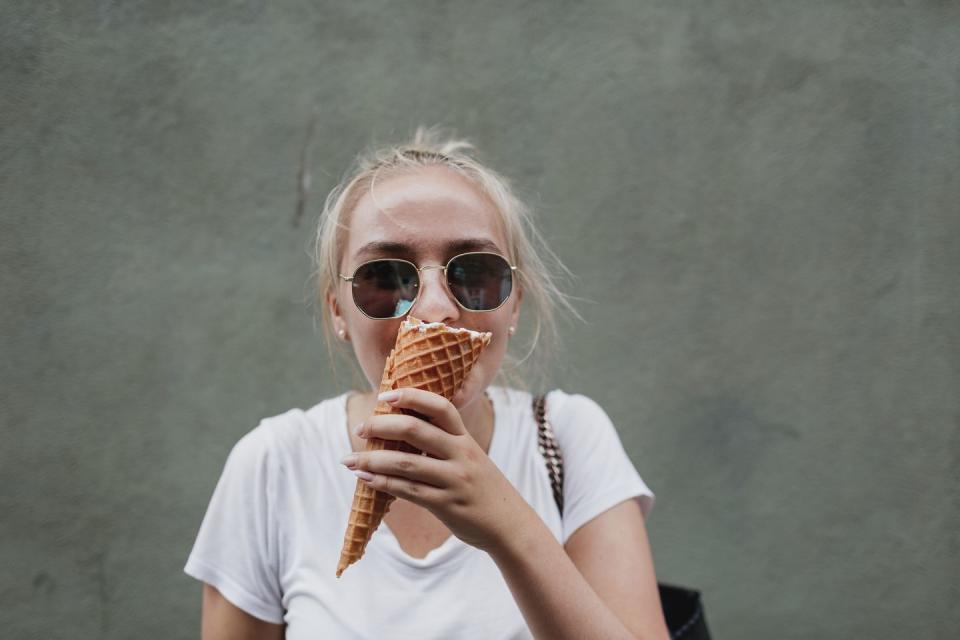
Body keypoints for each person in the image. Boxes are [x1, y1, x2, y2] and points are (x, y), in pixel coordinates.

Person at [184, 128, 670, 639]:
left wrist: (508, 528)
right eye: (386, 277)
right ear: (338, 311)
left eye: (476, 273)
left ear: (515, 303)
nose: (435, 310)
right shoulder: (274, 464)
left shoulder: (569, 438)